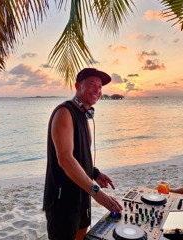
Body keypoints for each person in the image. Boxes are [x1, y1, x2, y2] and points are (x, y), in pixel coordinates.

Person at [43, 68, 123, 240]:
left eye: (100, 87)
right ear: (77, 86)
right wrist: (97, 192)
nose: (97, 90)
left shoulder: (84, 116)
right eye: (92, 84)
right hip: (63, 202)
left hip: (82, 195)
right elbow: (65, 159)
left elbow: (79, 155)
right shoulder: (65, 112)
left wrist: (95, 173)